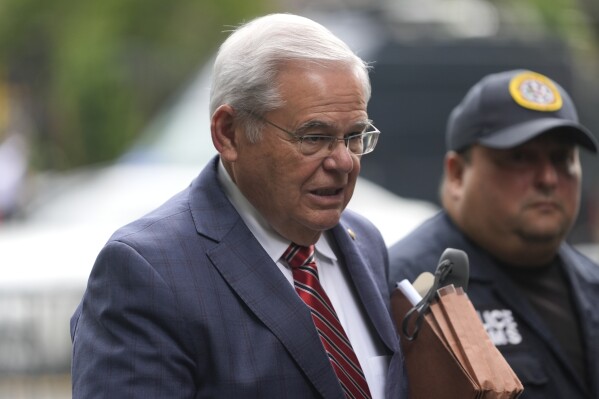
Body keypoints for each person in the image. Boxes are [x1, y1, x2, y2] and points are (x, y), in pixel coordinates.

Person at [71, 13, 405, 399]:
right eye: (315, 137)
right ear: (228, 133)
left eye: (355, 136)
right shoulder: (147, 271)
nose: (344, 162)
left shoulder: (363, 241)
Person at [388, 69, 599, 398]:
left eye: (562, 159)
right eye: (519, 158)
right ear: (457, 174)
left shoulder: (591, 284)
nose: (548, 178)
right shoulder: (404, 288)